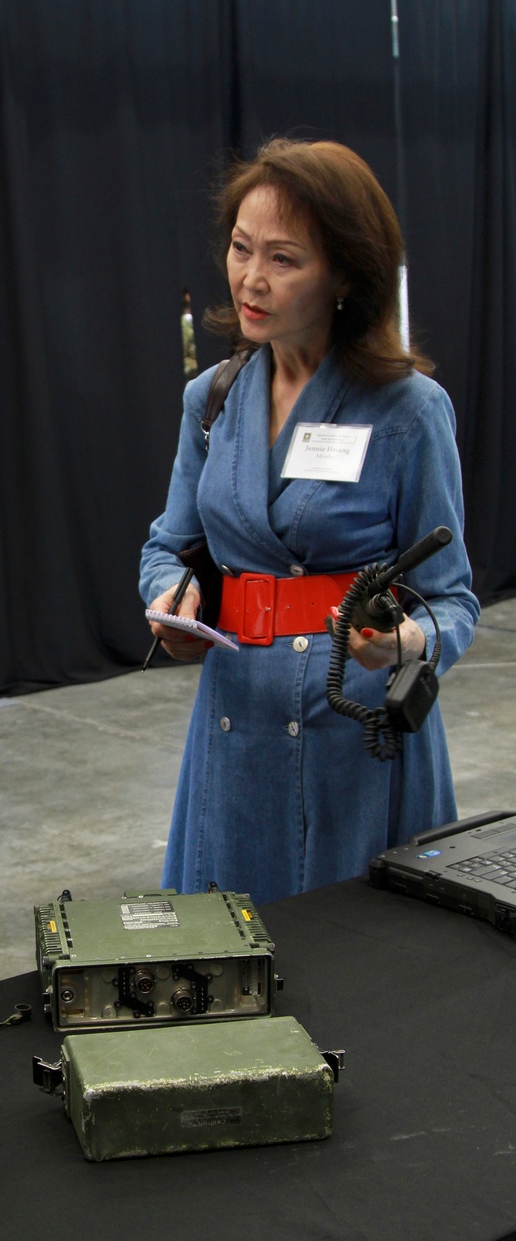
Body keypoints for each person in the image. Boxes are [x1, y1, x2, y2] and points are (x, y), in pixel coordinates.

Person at [140, 138, 479, 908]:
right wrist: (170, 600)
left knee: (361, 979)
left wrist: (408, 642)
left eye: (284, 259)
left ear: (345, 276)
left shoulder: (408, 412)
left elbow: (453, 600)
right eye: (239, 248)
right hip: (235, 731)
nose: (251, 279)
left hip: (355, 739)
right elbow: (167, 546)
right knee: (234, 969)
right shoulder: (213, 400)